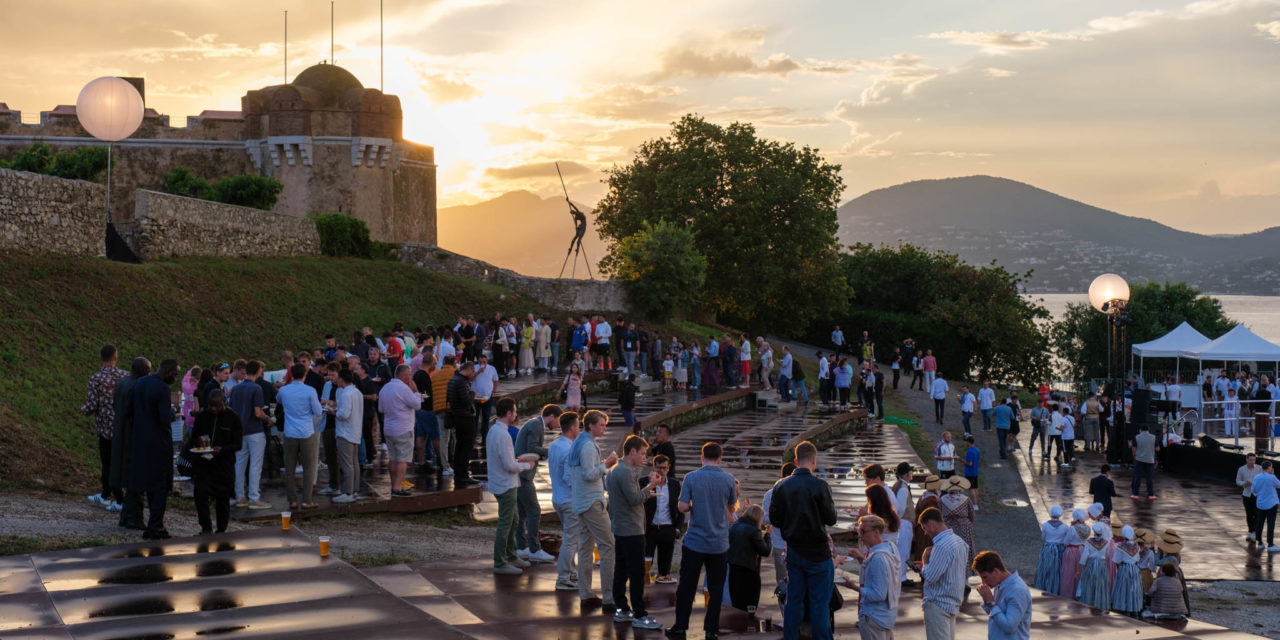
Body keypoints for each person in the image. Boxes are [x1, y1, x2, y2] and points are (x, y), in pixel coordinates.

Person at [668, 442, 738, 640]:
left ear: (702, 457)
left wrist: (692, 505)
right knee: (716, 588)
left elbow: (681, 507)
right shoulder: (728, 479)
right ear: (720, 458)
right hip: (719, 543)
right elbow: (731, 505)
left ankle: (681, 626)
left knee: (687, 586)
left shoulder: (691, 477)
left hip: (695, 542)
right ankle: (710, 630)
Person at [769, 441, 837, 640]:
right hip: (818, 552)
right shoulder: (820, 486)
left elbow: (774, 518)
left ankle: (791, 636)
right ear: (814, 460)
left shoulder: (781, 486)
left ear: (796, 460)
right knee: (819, 603)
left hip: (795, 550)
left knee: (794, 599)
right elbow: (831, 518)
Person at [605, 434, 662, 629]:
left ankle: (622, 608)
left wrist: (646, 489)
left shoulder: (614, 470)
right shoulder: (626, 472)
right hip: (631, 530)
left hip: (620, 527)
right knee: (637, 573)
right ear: (632, 452)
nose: (644, 458)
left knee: (620, 570)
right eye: (642, 453)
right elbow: (634, 499)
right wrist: (651, 487)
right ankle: (640, 614)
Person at [569, 409, 619, 608]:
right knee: (608, 546)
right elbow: (590, 474)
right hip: (591, 502)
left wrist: (603, 465)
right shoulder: (588, 445)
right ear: (590, 425)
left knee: (585, 548)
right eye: (601, 424)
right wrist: (607, 464)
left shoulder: (578, 443)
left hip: (581, 501)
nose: (604, 428)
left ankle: (586, 594)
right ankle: (609, 597)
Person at [126, 358, 180, 540]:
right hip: (159, 443)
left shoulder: (140, 383)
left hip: (140, 442)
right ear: (168, 371)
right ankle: (155, 526)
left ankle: (154, 524)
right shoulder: (163, 389)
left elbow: (128, 411)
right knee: (161, 487)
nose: (176, 378)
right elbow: (164, 418)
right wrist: (173, 412)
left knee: (149, 485)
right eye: (175, 374)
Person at [487, 398, 535, 574]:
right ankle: (500, 562)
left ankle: (511, 555)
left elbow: (504, 461)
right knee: (506, 523)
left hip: (501, 481)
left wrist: (517, 461)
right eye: (514, 411)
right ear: (508, 413)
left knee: (513, 520)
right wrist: (526, 465)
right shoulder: (504, 435)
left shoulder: (494, 430)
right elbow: (509, 466)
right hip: (506, 483)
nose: (516, 415)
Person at [185, 392, 242, 534]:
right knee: (200, 495)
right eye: (211, 406)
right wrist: (198, 441)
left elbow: (238, 444)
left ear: (224, 402)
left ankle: (221, 529)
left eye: (217, 406)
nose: (213, 409)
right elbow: (193, 438)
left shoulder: (233, 418)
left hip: (224, 464)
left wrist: (221, 449)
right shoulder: (203, 417)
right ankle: (205, 527)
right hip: (203, 464)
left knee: (223, 499)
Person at [82, 344, 127, 512]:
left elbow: (92, 405)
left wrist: (84, 410)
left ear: (101, 358)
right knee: (120, 462)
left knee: (107, 462)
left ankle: (112, 497)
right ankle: (112, 495)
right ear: (116, 358)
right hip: (122, 427)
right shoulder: (125, 376)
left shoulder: (97, 378)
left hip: (105, 429)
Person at [515, 405, 559, 563]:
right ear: (552, 416)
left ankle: (521, 547)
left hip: (520, 474)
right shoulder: (536, 425)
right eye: (558, 420)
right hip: (524, 475)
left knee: (522, 513)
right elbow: (532, 447)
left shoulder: (534, 424)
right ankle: (534, 549)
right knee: (534, 511)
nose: (558, 425)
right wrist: (551, 451)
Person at [277, 362, 324, 509]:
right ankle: (307, 500)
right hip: (306, 431)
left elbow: (278, 399)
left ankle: (292, 500)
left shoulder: (284, 390)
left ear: (291, 374)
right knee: (308, 467)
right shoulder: (310, 391)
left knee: (290, 468)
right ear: (305, 374)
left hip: (290, 432)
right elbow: (318, 411)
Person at [916, 507, 968, 640]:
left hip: (937, 603)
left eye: (924, 528)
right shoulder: (960, 542)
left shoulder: (941, 546)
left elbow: (931, 577)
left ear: (932, 524)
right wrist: (928, 566)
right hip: (953, 602)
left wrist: (925, 563)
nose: (926, 533)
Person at [549, 411, 586, 591]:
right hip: (570, 500)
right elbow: (569, 478)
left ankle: (570, 573)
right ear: (572, 427)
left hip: (557, 498)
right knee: (571, 540)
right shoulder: (570, 449)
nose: (579, 428)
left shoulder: (554, 445)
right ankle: (564, 577)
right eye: (578, 425)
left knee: (571, 538)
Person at [110, 357, 150, 529]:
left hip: (120, 432)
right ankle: (134, 518)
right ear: (141, 370)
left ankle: (126, 516)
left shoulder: (122, 383)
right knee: (135, 478)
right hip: (131, 436)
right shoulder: (137, 386)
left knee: (128, 477)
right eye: (147, 370)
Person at [230, 360, 272, 509]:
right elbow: (257, 412)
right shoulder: (257, 388)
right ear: (258, 371)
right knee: (255, 465)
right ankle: (254, 497)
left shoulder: (235, 389)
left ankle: (240, 496)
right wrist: (268, 419)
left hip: (240, 431)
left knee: (240, 463)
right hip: (255, 430)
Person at [852, 514, 901, 640]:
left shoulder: (878, 557)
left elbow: (878, 594)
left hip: (873, 617)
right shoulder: (891, 548)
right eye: (858, 531)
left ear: (876, 532)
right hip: (887, 616)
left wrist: (853, 587)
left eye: (863, 531)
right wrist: (862, 560)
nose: (860, 536)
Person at [379, 365, 421, 498]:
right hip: (403, 427)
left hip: (389, 427)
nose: (411, 377)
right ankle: (397, 487)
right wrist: (416, 392)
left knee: (393, 458)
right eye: (409, 375)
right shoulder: (404, 389)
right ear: (404, 376)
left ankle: (394, 485)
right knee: (402, 459)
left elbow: (381, 409)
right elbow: (417, 405)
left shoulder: (385, 388)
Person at [973, 550, 1032, 640]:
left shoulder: (1017, 590)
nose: (983, 582)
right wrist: (987, 601)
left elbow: (1009, 626)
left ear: (996, 571)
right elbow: (997, 616)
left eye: (985, 577)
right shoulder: (999, 585)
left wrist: (991, 603)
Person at [761, 461, 796, 590]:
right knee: (782, 584)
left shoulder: (799, 493)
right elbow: (765, 519)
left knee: (795, 582)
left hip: (795, 545)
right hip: (780, 543)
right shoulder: (770, 494)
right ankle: (784, 609)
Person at [332, 368, 363, 503]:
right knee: (354, 462)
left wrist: (333, 412)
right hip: (355, 431)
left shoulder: (345, 394)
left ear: (341, 379)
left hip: (345, 432)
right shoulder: (357, 392)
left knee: (346, 464)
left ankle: (347, 492)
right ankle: (355, 490)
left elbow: (344, 414)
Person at [447, 362, 479, 486]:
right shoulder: (461, 382)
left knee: (460, 446)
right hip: (464, 417)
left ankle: (459, 473)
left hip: (457, 416)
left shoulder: (453, 379)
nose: (473, 375)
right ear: (470, 369)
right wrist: (472, 393)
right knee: (466, 446)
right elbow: (465, 400)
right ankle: (463, 475)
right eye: (473, 372)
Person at [940, 476, 976, 573]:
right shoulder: (965, 499)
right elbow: (972, 515)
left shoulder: (943, 499)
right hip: (964, 528)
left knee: (950, 550)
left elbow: (940, 514)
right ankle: (966, 573)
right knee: (965, 551)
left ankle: (950, 572)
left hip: (948, 528)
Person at [891, 462, 917, 585]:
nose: (912, 473)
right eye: (910, 471)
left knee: (901, 549)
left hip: (902, 521)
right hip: (904, 522)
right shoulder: (903, 488)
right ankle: (901, 577)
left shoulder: (900, 485)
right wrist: (898, 520)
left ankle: (900, 576)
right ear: (907, 474)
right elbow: (900, 508)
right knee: (903, 550)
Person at [1077, 522, 1112, 609]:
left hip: (1091, 564)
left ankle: (1088, 602)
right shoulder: (1107, 542)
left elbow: (1084, 557)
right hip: (1102, 564)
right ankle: (1099, 603)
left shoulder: (1089, 542)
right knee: (1100, 584)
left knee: (1089, 583)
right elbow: (1107, 554)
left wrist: (1079, 569)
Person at [1111, 526, 1143, 615]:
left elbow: (1116, 560)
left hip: (1125, 568)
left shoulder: (1120, 546)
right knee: (1134, 589)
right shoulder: (1137, 546)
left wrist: (1119, 568)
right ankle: (1135, 610)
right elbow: (1137, 558)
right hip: (1135, 569)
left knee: (1124, 589)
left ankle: (1126, 609)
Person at [1034, 505, 1066, 595]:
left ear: (1051, 513)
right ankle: (1055, 588)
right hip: (1059, 550)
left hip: (1047, 549)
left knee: (1045, 568)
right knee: (1056, 570)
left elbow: (1043, 537)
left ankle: (1043, 586)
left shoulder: (1045, 525)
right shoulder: (1064, 527)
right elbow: (1065, 540)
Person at [1058, 509, 1088, 601]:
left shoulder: (1072, 528)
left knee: (1069, 574)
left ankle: (1068, 594)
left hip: (1071, 551)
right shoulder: (1087, 528)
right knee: (1080, 573)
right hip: (1081, 551)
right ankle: (1078, 593)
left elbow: (1066, 541)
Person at [1251, 459, 1280, 552]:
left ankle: (1259, 542)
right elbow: (1279, 485)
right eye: (1271, 467)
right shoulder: (1271, 477)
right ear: (1269, 467)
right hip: (1271, 504)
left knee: (1259, 523)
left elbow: (1253, 490)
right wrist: (1273, 474)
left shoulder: (1256, 477)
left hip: (1260, 504)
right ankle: (1270, 544)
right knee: (1270, 524)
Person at [1238, 453, 1262, 542]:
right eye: (1251, 460)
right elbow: (1238, 481)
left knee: (1257, 513)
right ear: (1246, 460)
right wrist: (1244, 483)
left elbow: (1263, 479)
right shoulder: (1241, 469)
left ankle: (1254, 532)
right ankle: (1251, 531)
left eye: (1254, 460)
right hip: (1246, 494)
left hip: (1257, 495)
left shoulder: (1259, 468)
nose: (1252, 462)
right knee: (1249, 514)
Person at [1130, 423, 1159, 500]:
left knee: (1137, 477)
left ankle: (1135, 494)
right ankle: (1151, 495)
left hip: (1139, 459)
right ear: (1148, 430)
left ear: (1140, 430)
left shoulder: (1137, 437)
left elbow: (1133, 449)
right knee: (1149, 478)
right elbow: (1157, 449)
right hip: (1150, 460)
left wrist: (1134, 456)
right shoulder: (1153, 437)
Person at [962, 435, 981, 507]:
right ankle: (976, 502)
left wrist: (961, 460)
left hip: (969, 472)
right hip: (975, 471)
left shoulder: (969, 451)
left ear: (968, 442)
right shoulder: (977, 450)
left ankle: (975, 504)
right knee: (976, 487)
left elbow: (969, 463)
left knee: (971, 488)